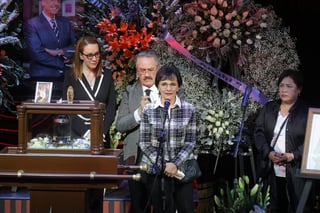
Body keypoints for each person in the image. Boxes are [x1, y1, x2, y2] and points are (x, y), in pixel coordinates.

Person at [138, 65, 196, 213]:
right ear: (158, 86)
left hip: (181, 170)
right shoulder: (148, 110)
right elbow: (144, 143)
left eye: (172, 84)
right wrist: (163, 165)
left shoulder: (189, 109)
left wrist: (174, 164)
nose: (168, 88)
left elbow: (190, 142)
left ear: (178, 86)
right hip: (157, 171)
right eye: (164, 84)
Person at [254, 69, 313, 212]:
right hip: (270, 169)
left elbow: (313, 141)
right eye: (281, 85)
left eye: (289, 86)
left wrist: (293, 155)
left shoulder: (307, 112)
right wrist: (268, 153)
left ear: (299, 90)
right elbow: (258, 133)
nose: (284, 90)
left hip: (296, 171)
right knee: (273, 206)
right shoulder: (269, 108)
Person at [116, 49, 160, 213]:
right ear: (137, 71)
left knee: (158, 203)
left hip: (159, 157)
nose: (147, 74)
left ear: (157, 69)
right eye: (142, 70)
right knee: (138, 206)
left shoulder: (167, 90)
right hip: (135, 158)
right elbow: (120, 124)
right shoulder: (130, 92)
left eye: (150, 70)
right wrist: (138, 113)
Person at [63, 35, 116, 148]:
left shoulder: (106, 75)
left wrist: (101, 132)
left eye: (97, 54)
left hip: (101, 134)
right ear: (81, 56)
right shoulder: (71, 76)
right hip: (77, 135)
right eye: (89, 55)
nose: (94, 58)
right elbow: (68, 109)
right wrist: (87, 133)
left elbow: (111, 107)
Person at [25, 0, 76, 78]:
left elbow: (75, 46)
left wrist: (61, 51)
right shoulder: (32, 24)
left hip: (66, 75)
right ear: (43, 3)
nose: (56, 4)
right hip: (43, 75)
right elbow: (36, 53)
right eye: (52, 0)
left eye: (58, 1)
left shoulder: (65, 22)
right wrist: (61, 63)